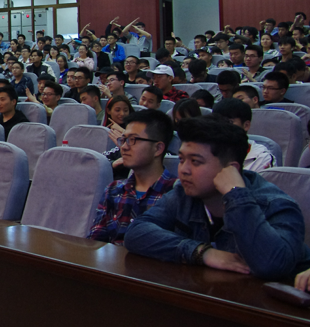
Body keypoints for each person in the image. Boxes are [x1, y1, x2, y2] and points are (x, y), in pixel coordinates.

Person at [124, 116, 310, 280]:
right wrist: (202, 253)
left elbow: (271, 265)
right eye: (181, 160)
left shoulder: (277, 205)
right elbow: (136, 233)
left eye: (195, 161)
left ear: (231, 169)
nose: (184, 170)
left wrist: (236, 194)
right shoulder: (184, 195)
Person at [89, 110, 176, 245]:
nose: (124, 147)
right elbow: (95, 243)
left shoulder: (176, 193)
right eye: (124, 140)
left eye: (132, 140)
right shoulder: (114, 189)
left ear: (158, 148)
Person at [212, 98, 274, 172]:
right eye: (217, 121)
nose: (221, 126)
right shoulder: (206, 151)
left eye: (229, 122)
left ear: (246, 125)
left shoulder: (261, 157)